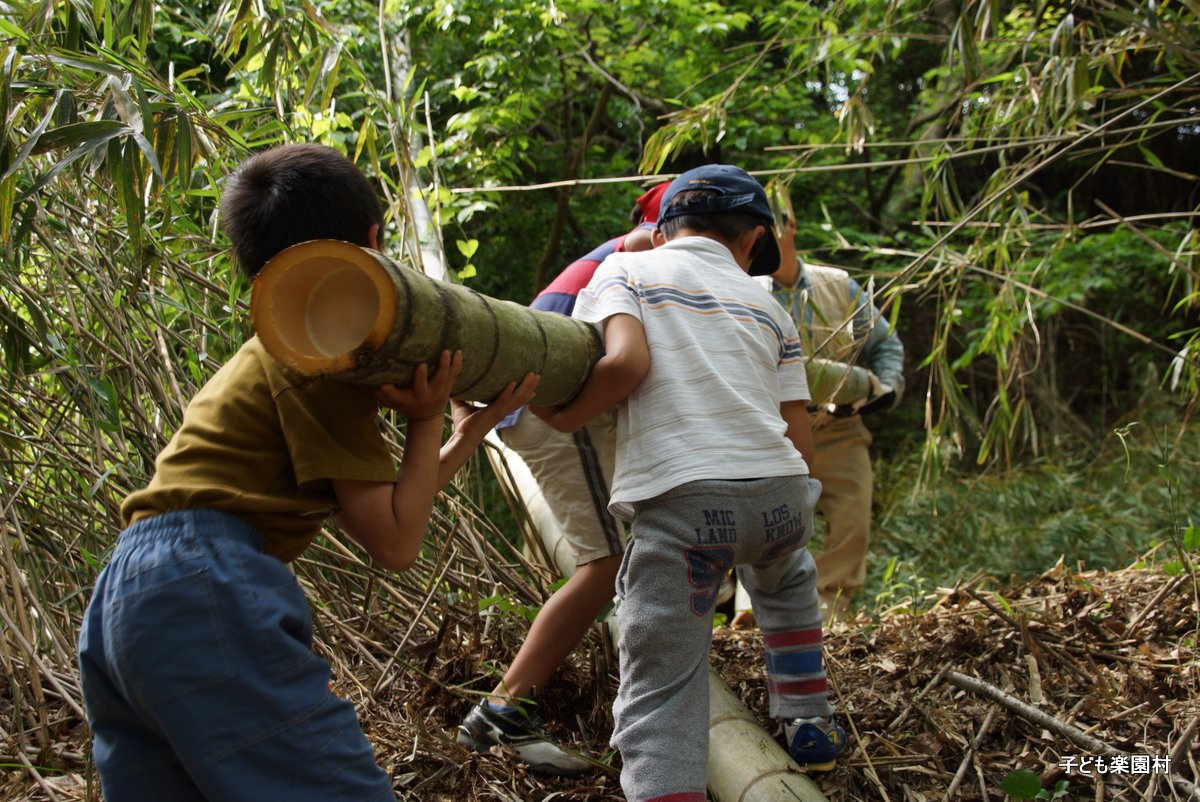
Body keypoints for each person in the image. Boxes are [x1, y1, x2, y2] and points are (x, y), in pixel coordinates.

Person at [76, 143, 539, 802]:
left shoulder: (272, 349)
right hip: (204, 585)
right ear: (372, 245)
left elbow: (384, 507)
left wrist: (462, 432)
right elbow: (397, 543)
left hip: (128, 599)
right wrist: (426, 418)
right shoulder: (319, 356)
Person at [534, 164, 845, 802]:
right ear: (757, 238)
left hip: (691, 509)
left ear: (663, 225)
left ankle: (667, 789)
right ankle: (809, 716)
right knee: (788, 587)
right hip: (782, 497)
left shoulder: (626, 271)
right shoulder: (770, 304)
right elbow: (800, 437)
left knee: (664, 678)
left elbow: (625, 362)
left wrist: (563, 415)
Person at [455, 182, 668, 776]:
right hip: (552, 414)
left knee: (619, 557)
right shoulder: (636, 256)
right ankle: (502, 710)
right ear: (661, 225)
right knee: (604, 566)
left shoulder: (613, 260)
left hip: (546, 412)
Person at [766, 214, 905, 620]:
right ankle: (758, 610)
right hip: (774, 429)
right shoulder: (743, 287)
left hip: (840, 423)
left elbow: (885, 343)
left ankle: (832, 605)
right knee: (770, 522)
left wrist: (886, 388)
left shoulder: (837, 285)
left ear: (790, 228)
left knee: (853, 518)